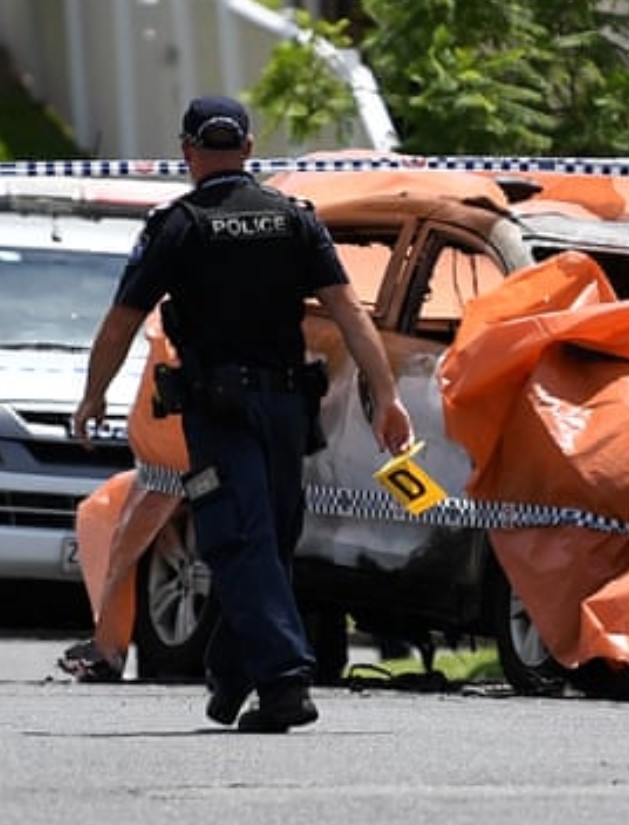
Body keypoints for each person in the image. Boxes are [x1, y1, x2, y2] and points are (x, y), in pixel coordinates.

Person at [72, 94, 414, 732]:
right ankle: (231, 677)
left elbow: (121, 323)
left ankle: (284, 683)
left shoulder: (178, 224)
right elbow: (350, 314)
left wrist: (94, 395)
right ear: (250, 150)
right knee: (267, 540)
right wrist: (386, 396)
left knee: (237, 536)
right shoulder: (295, 219)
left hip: (220, 413)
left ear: (188, 153)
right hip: (288, 408)